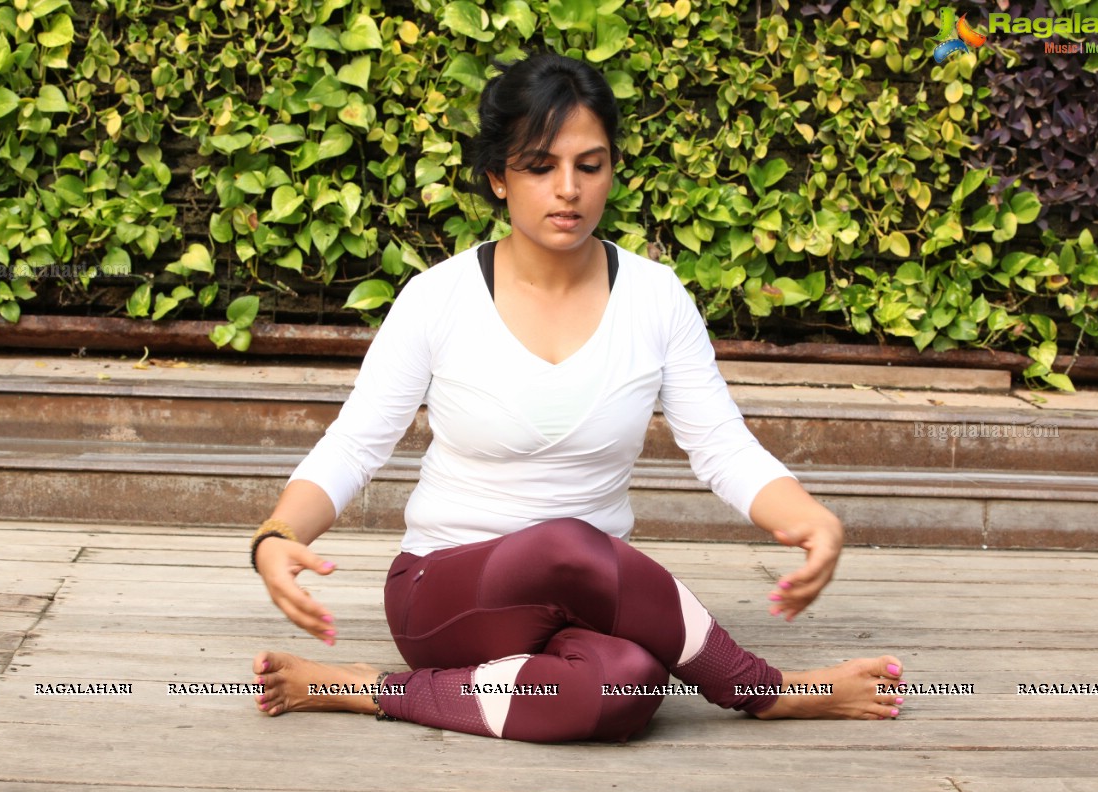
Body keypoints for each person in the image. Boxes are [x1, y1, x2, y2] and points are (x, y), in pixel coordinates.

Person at [249, 52, 905, 742]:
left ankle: (361, 689)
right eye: (540, 167)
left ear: (611, 171)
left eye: (589, 166)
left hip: (589, 607)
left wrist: (808, 516)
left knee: (624, 687)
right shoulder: (438, 299)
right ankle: (762, 690)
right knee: (565, 545)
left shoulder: (655, 296)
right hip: (448, 598)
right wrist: (278, 535)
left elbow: (720, 446)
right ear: (498, 178)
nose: (568, 189)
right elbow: (355, 444)